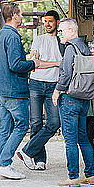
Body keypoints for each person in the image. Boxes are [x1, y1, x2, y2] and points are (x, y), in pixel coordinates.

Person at [0, 3, 42, 180]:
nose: (22, 17)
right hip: (15, 90)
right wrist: (33, 63)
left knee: (5, 129)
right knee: (21, 126)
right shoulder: (12, 37)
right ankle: (5, 163)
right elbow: (15, 65)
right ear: (14, 15)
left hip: (2, 89)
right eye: (20, 14)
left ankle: (1, 164)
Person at [52, 18, 94, 187]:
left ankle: (73, 177)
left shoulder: (71, 48)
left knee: (70, 140)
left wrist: (57, 91)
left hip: (70, 98)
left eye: (62, 31)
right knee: (83, 138)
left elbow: (65, 74)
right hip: (84, 98)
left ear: (72, 31)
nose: (59, 34)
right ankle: (90, 175)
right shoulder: (85, 48)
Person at [17, 10, 63, 171]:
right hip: (36, 84)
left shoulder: (62, 41)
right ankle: (39, 159)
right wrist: (57, 63)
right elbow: (34, 62)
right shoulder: (38, 39)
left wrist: (46, 63)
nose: (47, 24)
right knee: (35, 123)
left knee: (54, 123)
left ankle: (27, 151)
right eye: (45, 21)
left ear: (57, 22)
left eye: (50, 21)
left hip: (54, 85)